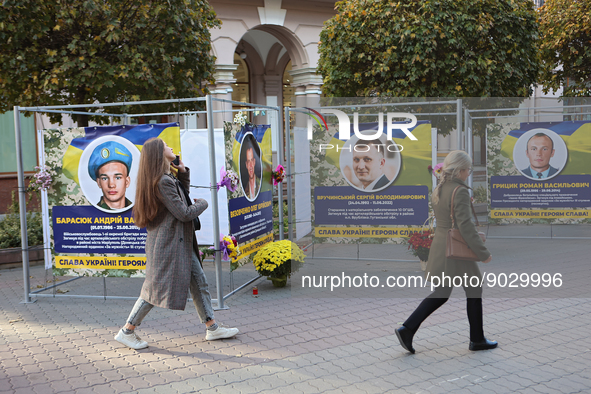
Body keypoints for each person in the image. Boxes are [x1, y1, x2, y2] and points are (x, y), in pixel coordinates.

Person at [114, 138, 239, 350]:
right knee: (153, 291)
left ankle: (212, 327)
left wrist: (182, 174)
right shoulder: (162, 182)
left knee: (199, 283)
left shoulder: (165, 178)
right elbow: (184, 212)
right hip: (169, 245)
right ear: (159, 154)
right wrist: (204, 204)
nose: (171, 148)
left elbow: (180, 200)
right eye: (166, 146)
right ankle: (127, 331)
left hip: (178, 242)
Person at [395, 150, 496, 353]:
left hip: (442, 246)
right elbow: (465, 227)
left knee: (442, 292)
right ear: (459, 170)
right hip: (456, 251)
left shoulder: (440, 188)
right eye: (468, 169)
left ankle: (407, 329)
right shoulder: (459, 191)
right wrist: (483, 253)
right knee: (473, 289)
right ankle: (476, 340)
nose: (469, 173)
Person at [88, 141, 133, 210]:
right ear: (99, 182)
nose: (111, 185)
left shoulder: (142, 213)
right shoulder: (89, 216)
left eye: (118, 178)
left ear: (127, 181)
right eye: (105, 178)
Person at [242, 136, 260, 200]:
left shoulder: (260, 183)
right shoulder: (243, 190)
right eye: (248, 161)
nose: (250, 166)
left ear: (254, 162)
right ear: (246, 165)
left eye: (252, 160)